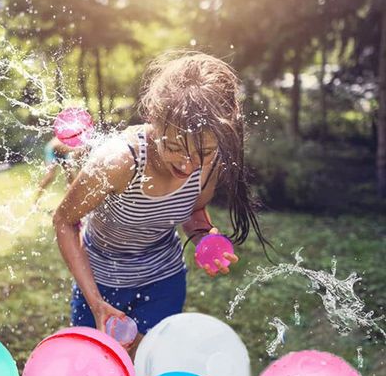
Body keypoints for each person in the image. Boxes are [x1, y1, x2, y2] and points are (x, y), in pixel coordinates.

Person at [53, 50, 271, 356]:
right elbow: (64, 220)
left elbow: (193, 210)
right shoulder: (118, 162)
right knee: (96, 369)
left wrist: (203, 237)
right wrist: (95, 301)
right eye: (174, 147)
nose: (188, 163)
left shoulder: (212, 159)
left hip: (163, 280)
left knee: (147, 365)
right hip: (101, 281)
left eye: (203, 152)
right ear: (153, 121)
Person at [34, 136, 82, 203]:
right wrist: (74, 149)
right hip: (52, 150)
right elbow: (58, 146)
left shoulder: (79, 140)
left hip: (64, 153)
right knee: (50, 176)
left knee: (71, 179)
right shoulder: (68, 136)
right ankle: (36, 200)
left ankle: (68, 202)